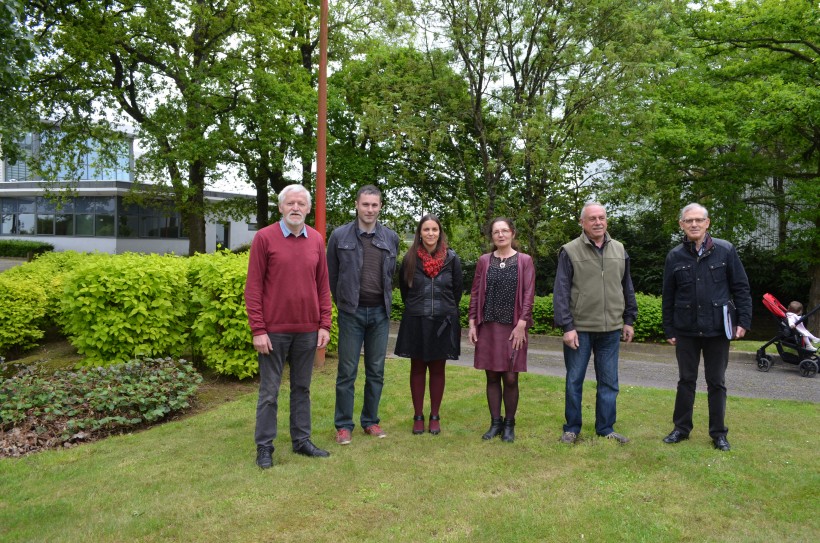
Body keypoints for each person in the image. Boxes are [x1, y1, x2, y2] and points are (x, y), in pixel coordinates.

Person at [245, 184, 332, 469]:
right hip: (273, 331)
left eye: (301, 204)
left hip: (307, 330)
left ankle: (301, 441)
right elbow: (254, 287)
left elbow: (322, 286)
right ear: (281, 207)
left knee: (302, 389)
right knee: (269, 392)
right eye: (290, 203)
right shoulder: (264, 238)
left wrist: (324, 324)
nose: (296, 208)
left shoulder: (317, 239)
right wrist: (258, 329)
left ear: (308, 209)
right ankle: (265, 447)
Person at [661, 203, 752, 452]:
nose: (694, 224)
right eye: (688, 221)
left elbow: (741, 287)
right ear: (681, 224)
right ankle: (681, 429)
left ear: (707, 223)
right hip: (686, 330)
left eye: (698, 220)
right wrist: (668, 329)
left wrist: (743, 321)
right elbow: (668, 295)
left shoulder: (725, 251)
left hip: (717, 329)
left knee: (716, 382)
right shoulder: (675, 256)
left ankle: (718, 434)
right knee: (686, 381)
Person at [553, 202, 637, 445]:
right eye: (592, 218)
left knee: (609, 382)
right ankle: (571, 428)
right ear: (582, 222)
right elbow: (561, 292)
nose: (598, 222)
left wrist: (628, 319)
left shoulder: (620, 249)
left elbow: (627, 286)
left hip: (611, 329)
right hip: (579, 329)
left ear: (607, 220)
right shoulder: (569, 251)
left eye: (602, 217)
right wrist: (567, 327)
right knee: (574, 380)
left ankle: (605, 428)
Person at [327, 185, 400, 445]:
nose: (370, 209)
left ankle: (370, 421)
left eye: (374, 205)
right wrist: (343, 303)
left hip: (380, 314)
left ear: (380, 207)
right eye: (365, 204)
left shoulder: (391, 237)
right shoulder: (339, 236)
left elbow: (391, 276)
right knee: (347, 371)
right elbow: (331, 276)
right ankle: (344, 425)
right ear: (357, 205)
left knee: (376, 370)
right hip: (351, 314)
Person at [468, 218, 535, 443]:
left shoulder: (524, 261)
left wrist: (522, 323)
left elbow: (528, 294)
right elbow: (475, 292)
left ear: (512, 234)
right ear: (492, 236)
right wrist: (472, 321)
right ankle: (495, 422)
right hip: (488, 326)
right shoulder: (484, 261)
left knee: (511, 377)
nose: (500, 235)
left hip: (513, 327)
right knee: (492, 375)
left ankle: (509, 423)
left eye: (504, 231)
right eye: (496, 232)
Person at [394, 215, 463, 435]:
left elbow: (457, 291)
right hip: (416, 319)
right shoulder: (410, 258)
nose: (431, 233)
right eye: (426, 229)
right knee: (417, 368)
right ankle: (418, 416)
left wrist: (443, 309)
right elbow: (405, 291)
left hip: (443, 321)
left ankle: (434, 415)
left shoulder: (452, 259)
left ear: (440, 232)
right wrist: (419, 308)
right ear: (420, 233)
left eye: (434, 229)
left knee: (437, 369)